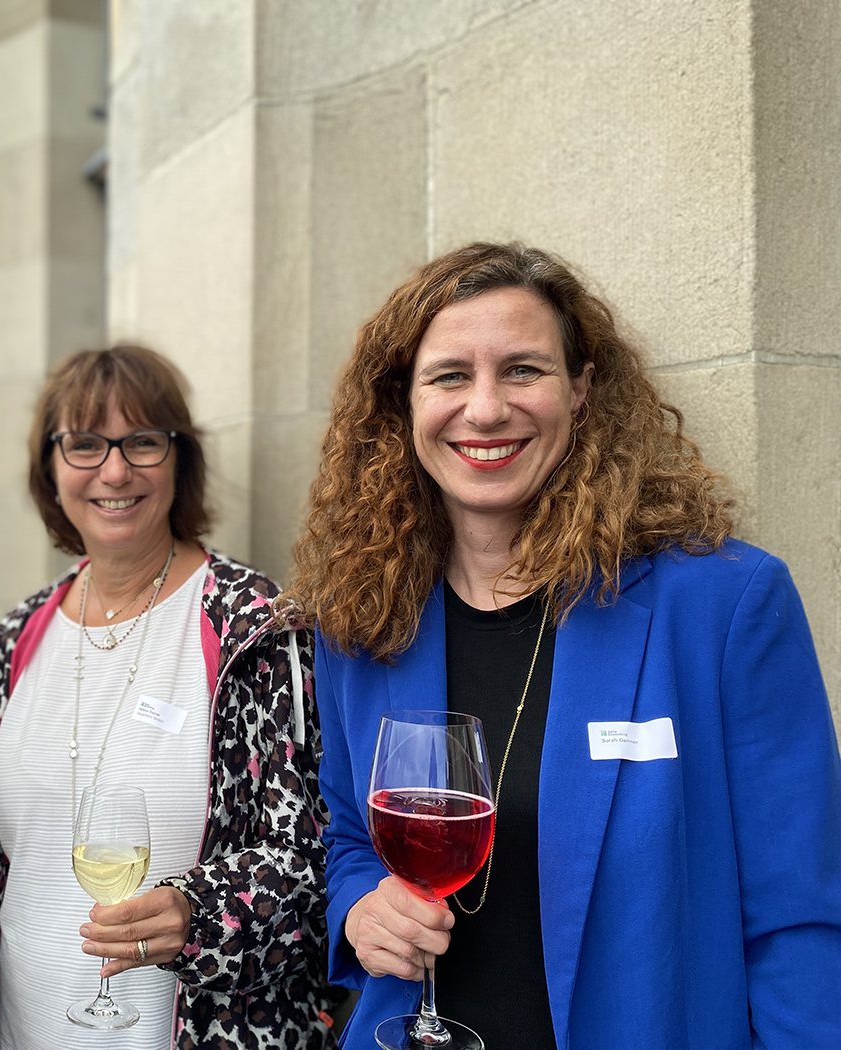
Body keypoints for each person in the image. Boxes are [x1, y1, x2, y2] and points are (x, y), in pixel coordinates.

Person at [288, 243, 841, 1049]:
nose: (484, 409)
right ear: (401, 404)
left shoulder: (723, 604)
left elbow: (801, 919)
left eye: (523, 370)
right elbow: (348, 837)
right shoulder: (363, 617)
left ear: (581, 391)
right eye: (448, 376)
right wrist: (363, 909)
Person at [0, 346, 333, 1049]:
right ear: (50, 467)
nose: (114, 470)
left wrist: (199, 912)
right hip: (24, 1028)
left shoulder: (252, 625)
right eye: (84, 444)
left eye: (142, 442)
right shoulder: (18, 635)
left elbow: (315, 857)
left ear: (180, 460)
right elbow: (2, 866)